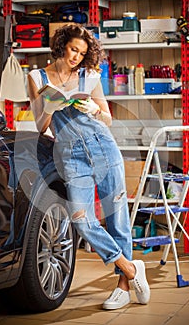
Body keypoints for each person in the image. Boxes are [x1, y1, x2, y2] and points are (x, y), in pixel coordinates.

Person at [28, 23, 150, 310]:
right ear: (62, 46)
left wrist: (95, 110)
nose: (76, 58)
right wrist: (51, 105)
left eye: (81, 53)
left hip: (103, 149)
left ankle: (122, 287)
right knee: (82, 220)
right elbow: (41, 125)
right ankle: (131, 269)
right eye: (73, 50)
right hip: (70, 156)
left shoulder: (89, 75)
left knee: (117, 218)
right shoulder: (37, 77)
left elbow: (106, 117)